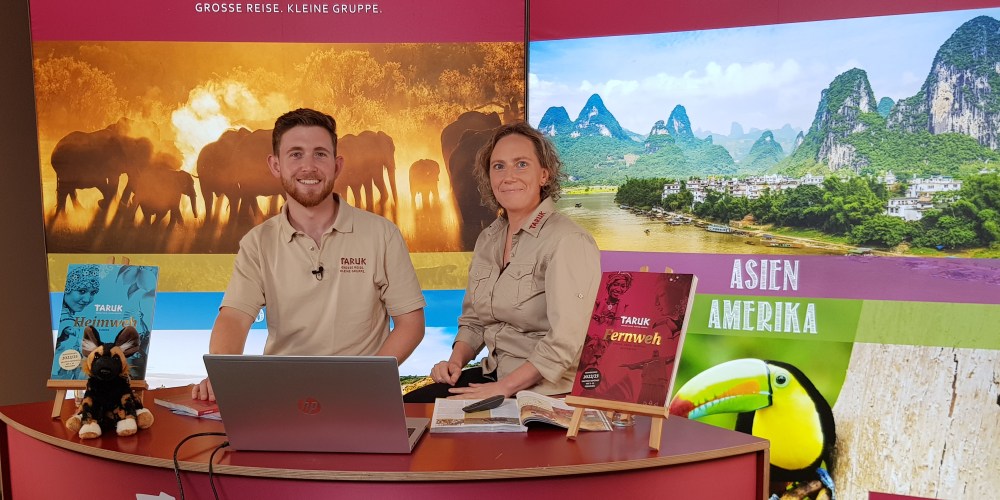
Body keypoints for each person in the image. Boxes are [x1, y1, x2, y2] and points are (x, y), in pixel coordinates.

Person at [193, 108, 426, 401]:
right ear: (275, 165)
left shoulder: (382, 234)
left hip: (362, 396)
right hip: (282, 396)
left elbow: (411, 323)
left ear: (337, 165)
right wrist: (221, 371)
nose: (309, 167)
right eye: (295, 154)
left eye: (320, 154)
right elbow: (234, 318)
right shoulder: (257, 243)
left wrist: (368, 379)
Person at [404, 122, 601, 402]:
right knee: (412, 406)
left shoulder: (568, 241)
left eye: (521, 164)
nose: (508, 176)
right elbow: (474, 321)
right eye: (498, 166)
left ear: (544, 174)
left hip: (548, 393)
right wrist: (455, 363)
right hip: (494, 376)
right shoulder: (489, 238)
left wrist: (502, 390)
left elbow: (565, 342)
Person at [51, 265, 101, 380]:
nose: (87, 299)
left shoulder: (69, 316)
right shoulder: (66, 322)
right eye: (82, 291)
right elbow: (67, 325)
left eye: (93, 293)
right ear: (68, 288)